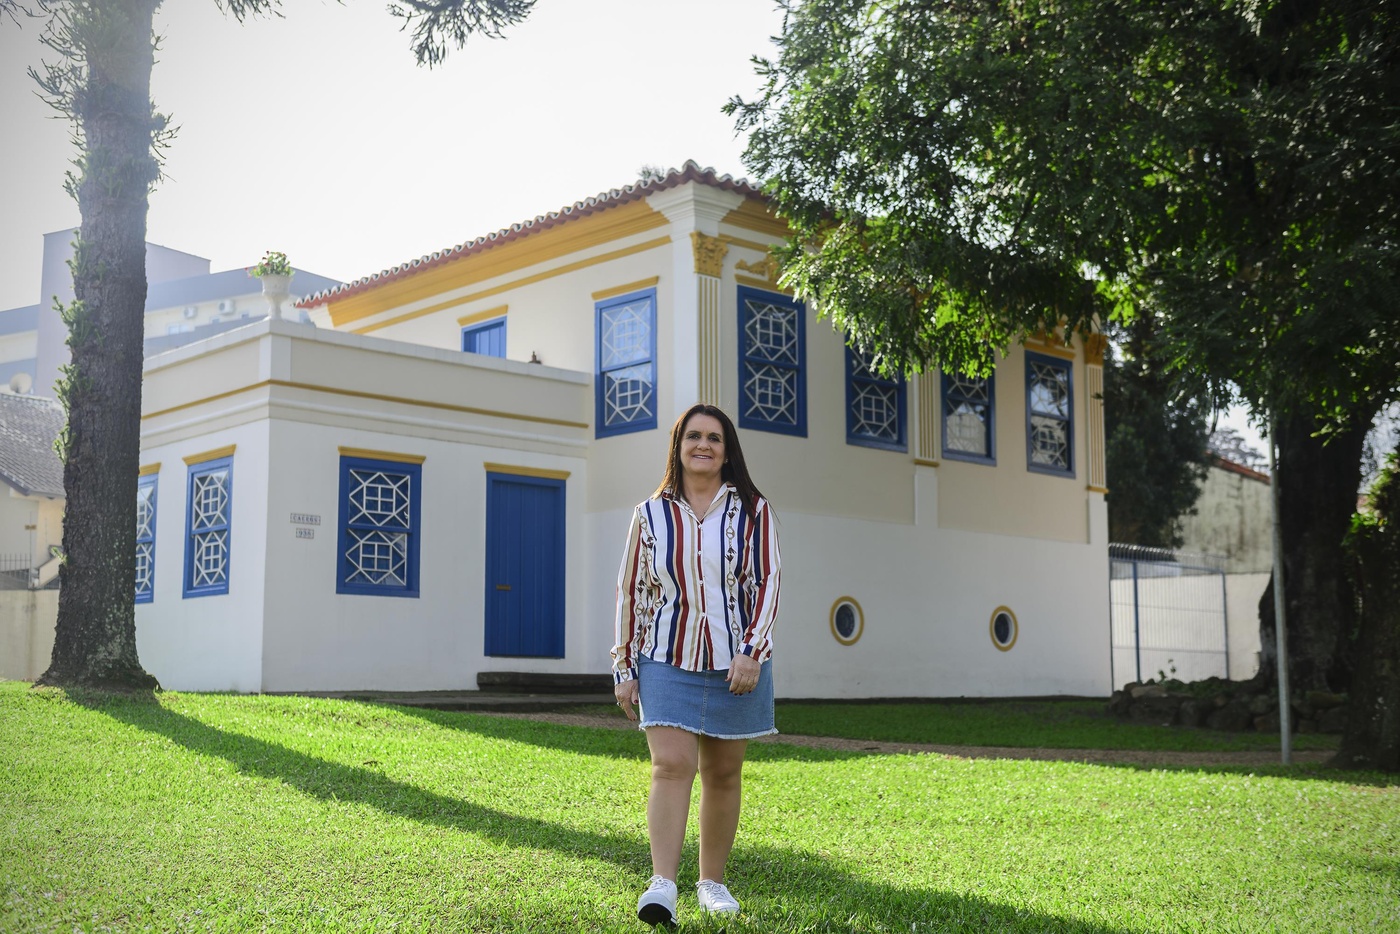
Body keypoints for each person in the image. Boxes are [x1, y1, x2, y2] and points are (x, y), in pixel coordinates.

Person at [611, 403, 781, 927]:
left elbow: (769, 581)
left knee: (723, 773)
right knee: (670, 765)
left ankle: (712, 884)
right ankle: (662, 885)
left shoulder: (753, 510)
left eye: (713, 438)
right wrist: (625, 666)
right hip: (665, 656)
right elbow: (631, 591)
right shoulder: (649, 514)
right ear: (678, 446)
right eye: (693, 436)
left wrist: (752, 651)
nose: (703, 445)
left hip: (737, 664)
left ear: (727, 451)